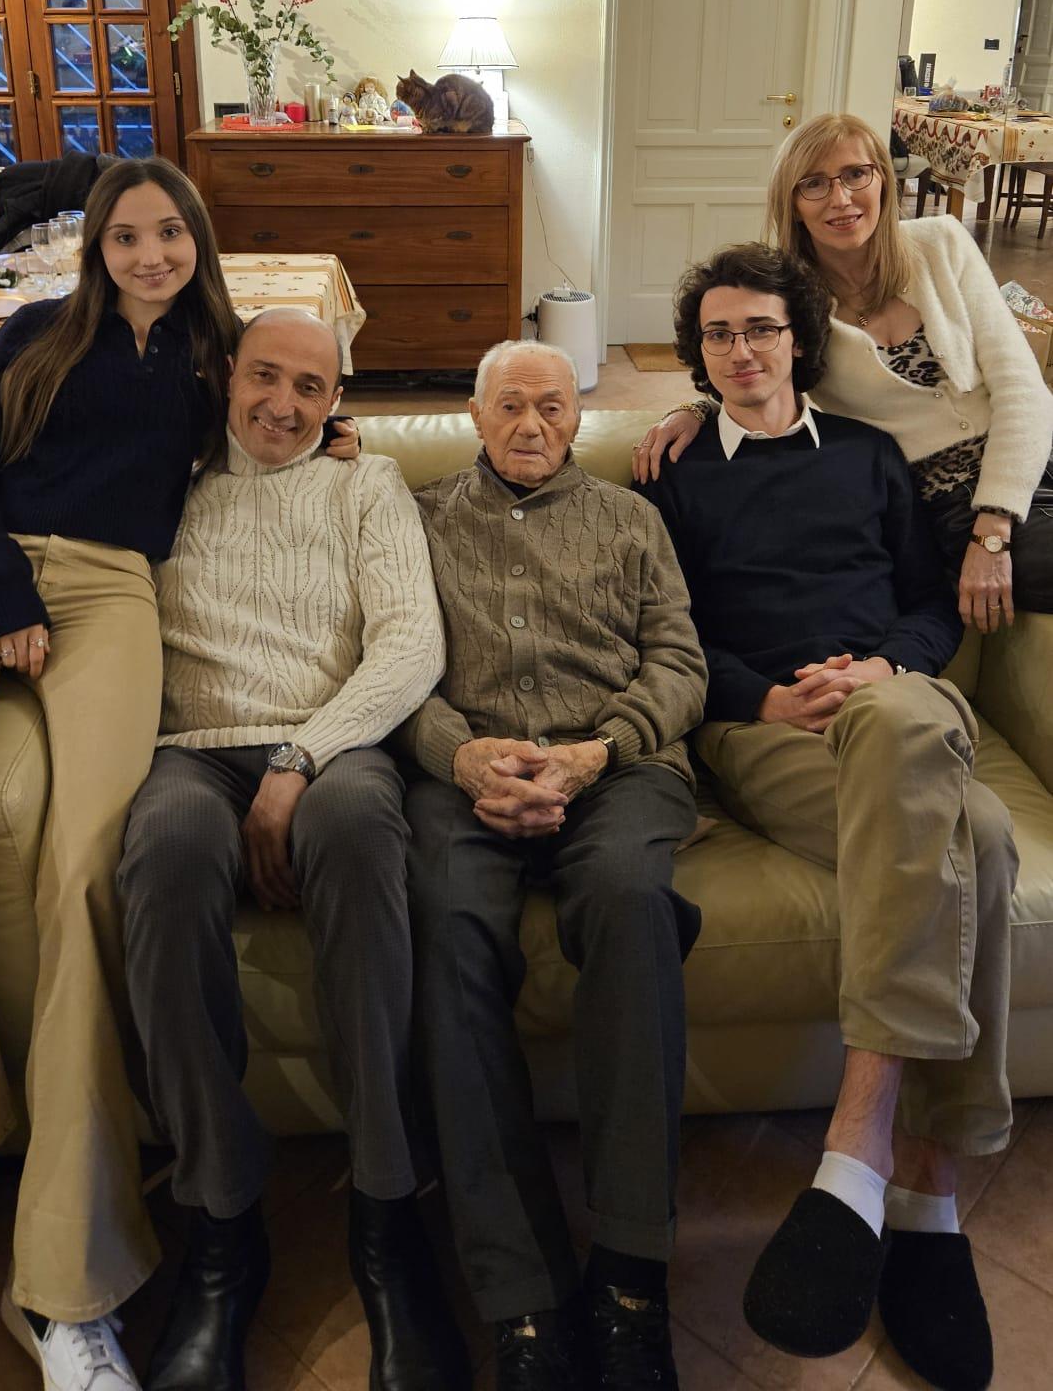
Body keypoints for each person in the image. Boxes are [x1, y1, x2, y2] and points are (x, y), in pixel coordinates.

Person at [637, 242, 1018, 1391]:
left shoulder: (866, 455)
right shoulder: (674, 473)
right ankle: (927, 1189)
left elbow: (928, 601)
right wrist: (761, 695)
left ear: (799, 336)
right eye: (716, 333)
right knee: (981, 838)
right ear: (697, 353)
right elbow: (667, 633)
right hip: (762, 732)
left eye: (759, 326)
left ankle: (858, 1154)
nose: (739, 349)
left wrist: (883, 667)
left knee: (901, 726)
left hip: (889, 701)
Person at [0, 158, 240, 1390]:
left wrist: (320, 428)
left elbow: (288, 412)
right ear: (95, 247)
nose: (150, 254)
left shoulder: (217, 357)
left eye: (170, 233)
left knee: (84, 880)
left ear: (198, 240)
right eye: (125, 236)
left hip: (113, 592)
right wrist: (1, 593)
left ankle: (68, 1279)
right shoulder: (32, 334)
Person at [117, 307, 468, 1391]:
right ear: (226, 374)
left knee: (361, 832)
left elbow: (410, 643)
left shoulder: (367, 484)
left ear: (338, 398)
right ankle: (221, 1218)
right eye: (264, 377)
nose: (283, 404)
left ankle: (387, 1210)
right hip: (190, 749)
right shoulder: (166, 478)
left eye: (310, 387)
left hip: (331, 746)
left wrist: (300, 759)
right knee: (163, 852)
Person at [398, 339, 707, 1391]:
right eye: (510, 406)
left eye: (552, 406)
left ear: (578, 417)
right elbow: (390, 662)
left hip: (616, 769)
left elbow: (680, 664)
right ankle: (521, 1295)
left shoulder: (631, 519)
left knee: (628, 897)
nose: (530, 424)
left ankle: (630, 1278)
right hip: (466, 778)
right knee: (443, 918)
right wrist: (459, 753)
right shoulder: (419, 519)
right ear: (474, 416)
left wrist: (596, 751)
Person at [633, 112, 1053, 632]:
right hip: (941, 504)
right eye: (814, 184)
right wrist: (695, 408)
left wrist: (995, 525)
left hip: (1025, 462)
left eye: (856, 174)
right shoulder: (791, 297)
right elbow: (753, 365)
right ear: (792, 203)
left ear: (883, 179)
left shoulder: (942, 243)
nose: (841, 198)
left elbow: (1022, 386)